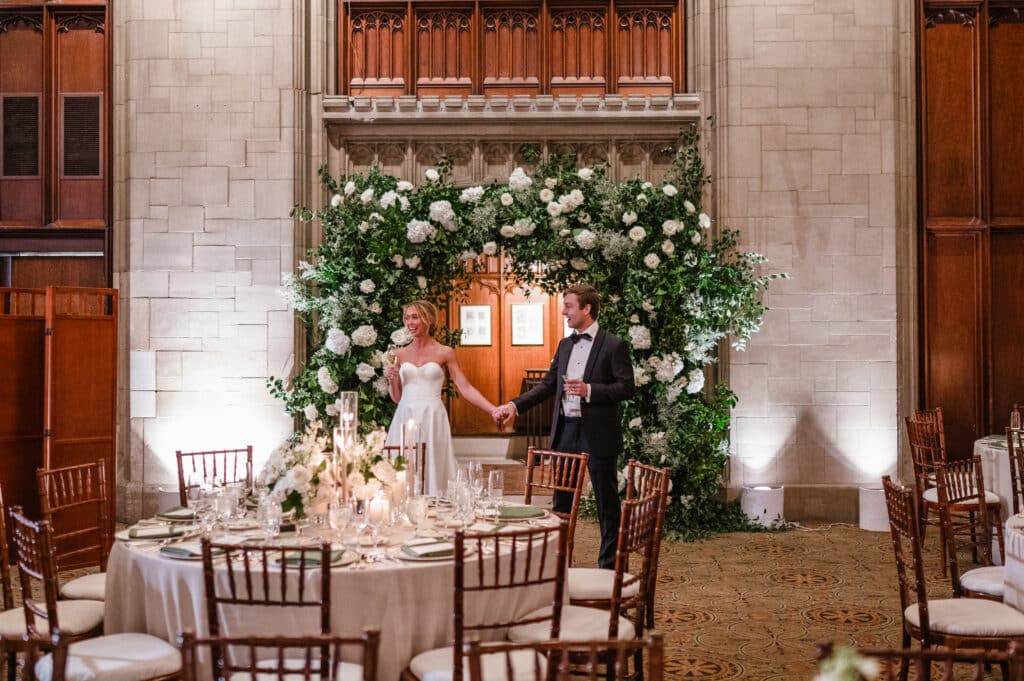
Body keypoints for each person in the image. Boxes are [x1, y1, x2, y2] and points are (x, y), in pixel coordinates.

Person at [492, 284, 635, 569]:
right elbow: (547, 386)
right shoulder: (565, 345)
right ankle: (559, 569)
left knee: (607, 506)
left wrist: (589, 390)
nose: (563, 312)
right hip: (566, 432)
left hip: (598, 435)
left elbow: (627, 387)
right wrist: (514, 406)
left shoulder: (613, 345)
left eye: (568, 306)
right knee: (561, 506)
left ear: (587, 308)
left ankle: (610, 570)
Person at [383, 300, 498, 495]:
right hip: (405, 415)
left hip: (433, 417)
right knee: (404, 466)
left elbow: (465, 387)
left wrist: (492, 409)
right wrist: (392, 379)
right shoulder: (398, 354)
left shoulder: (445, 352)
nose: (410, 322)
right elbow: (397, 397)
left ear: (428, 319)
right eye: (407, 318)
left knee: (433, 465)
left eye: (415, 317)